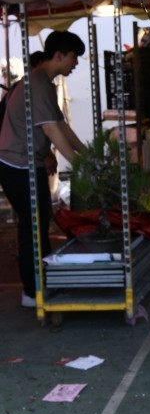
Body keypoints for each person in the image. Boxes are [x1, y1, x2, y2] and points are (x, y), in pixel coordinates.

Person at [0, 31, 88, 308]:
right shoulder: (37, 83)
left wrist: (88, 156)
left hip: (26, 163)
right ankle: (32, 289)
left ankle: (40, 283)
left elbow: (61, 126)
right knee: (33, 227)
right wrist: (80, 163)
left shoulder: (44, 84)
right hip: (17, 164)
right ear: (59, 55)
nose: (76, 64)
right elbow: (51, 130)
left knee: (37, 223)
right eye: (74, 57)